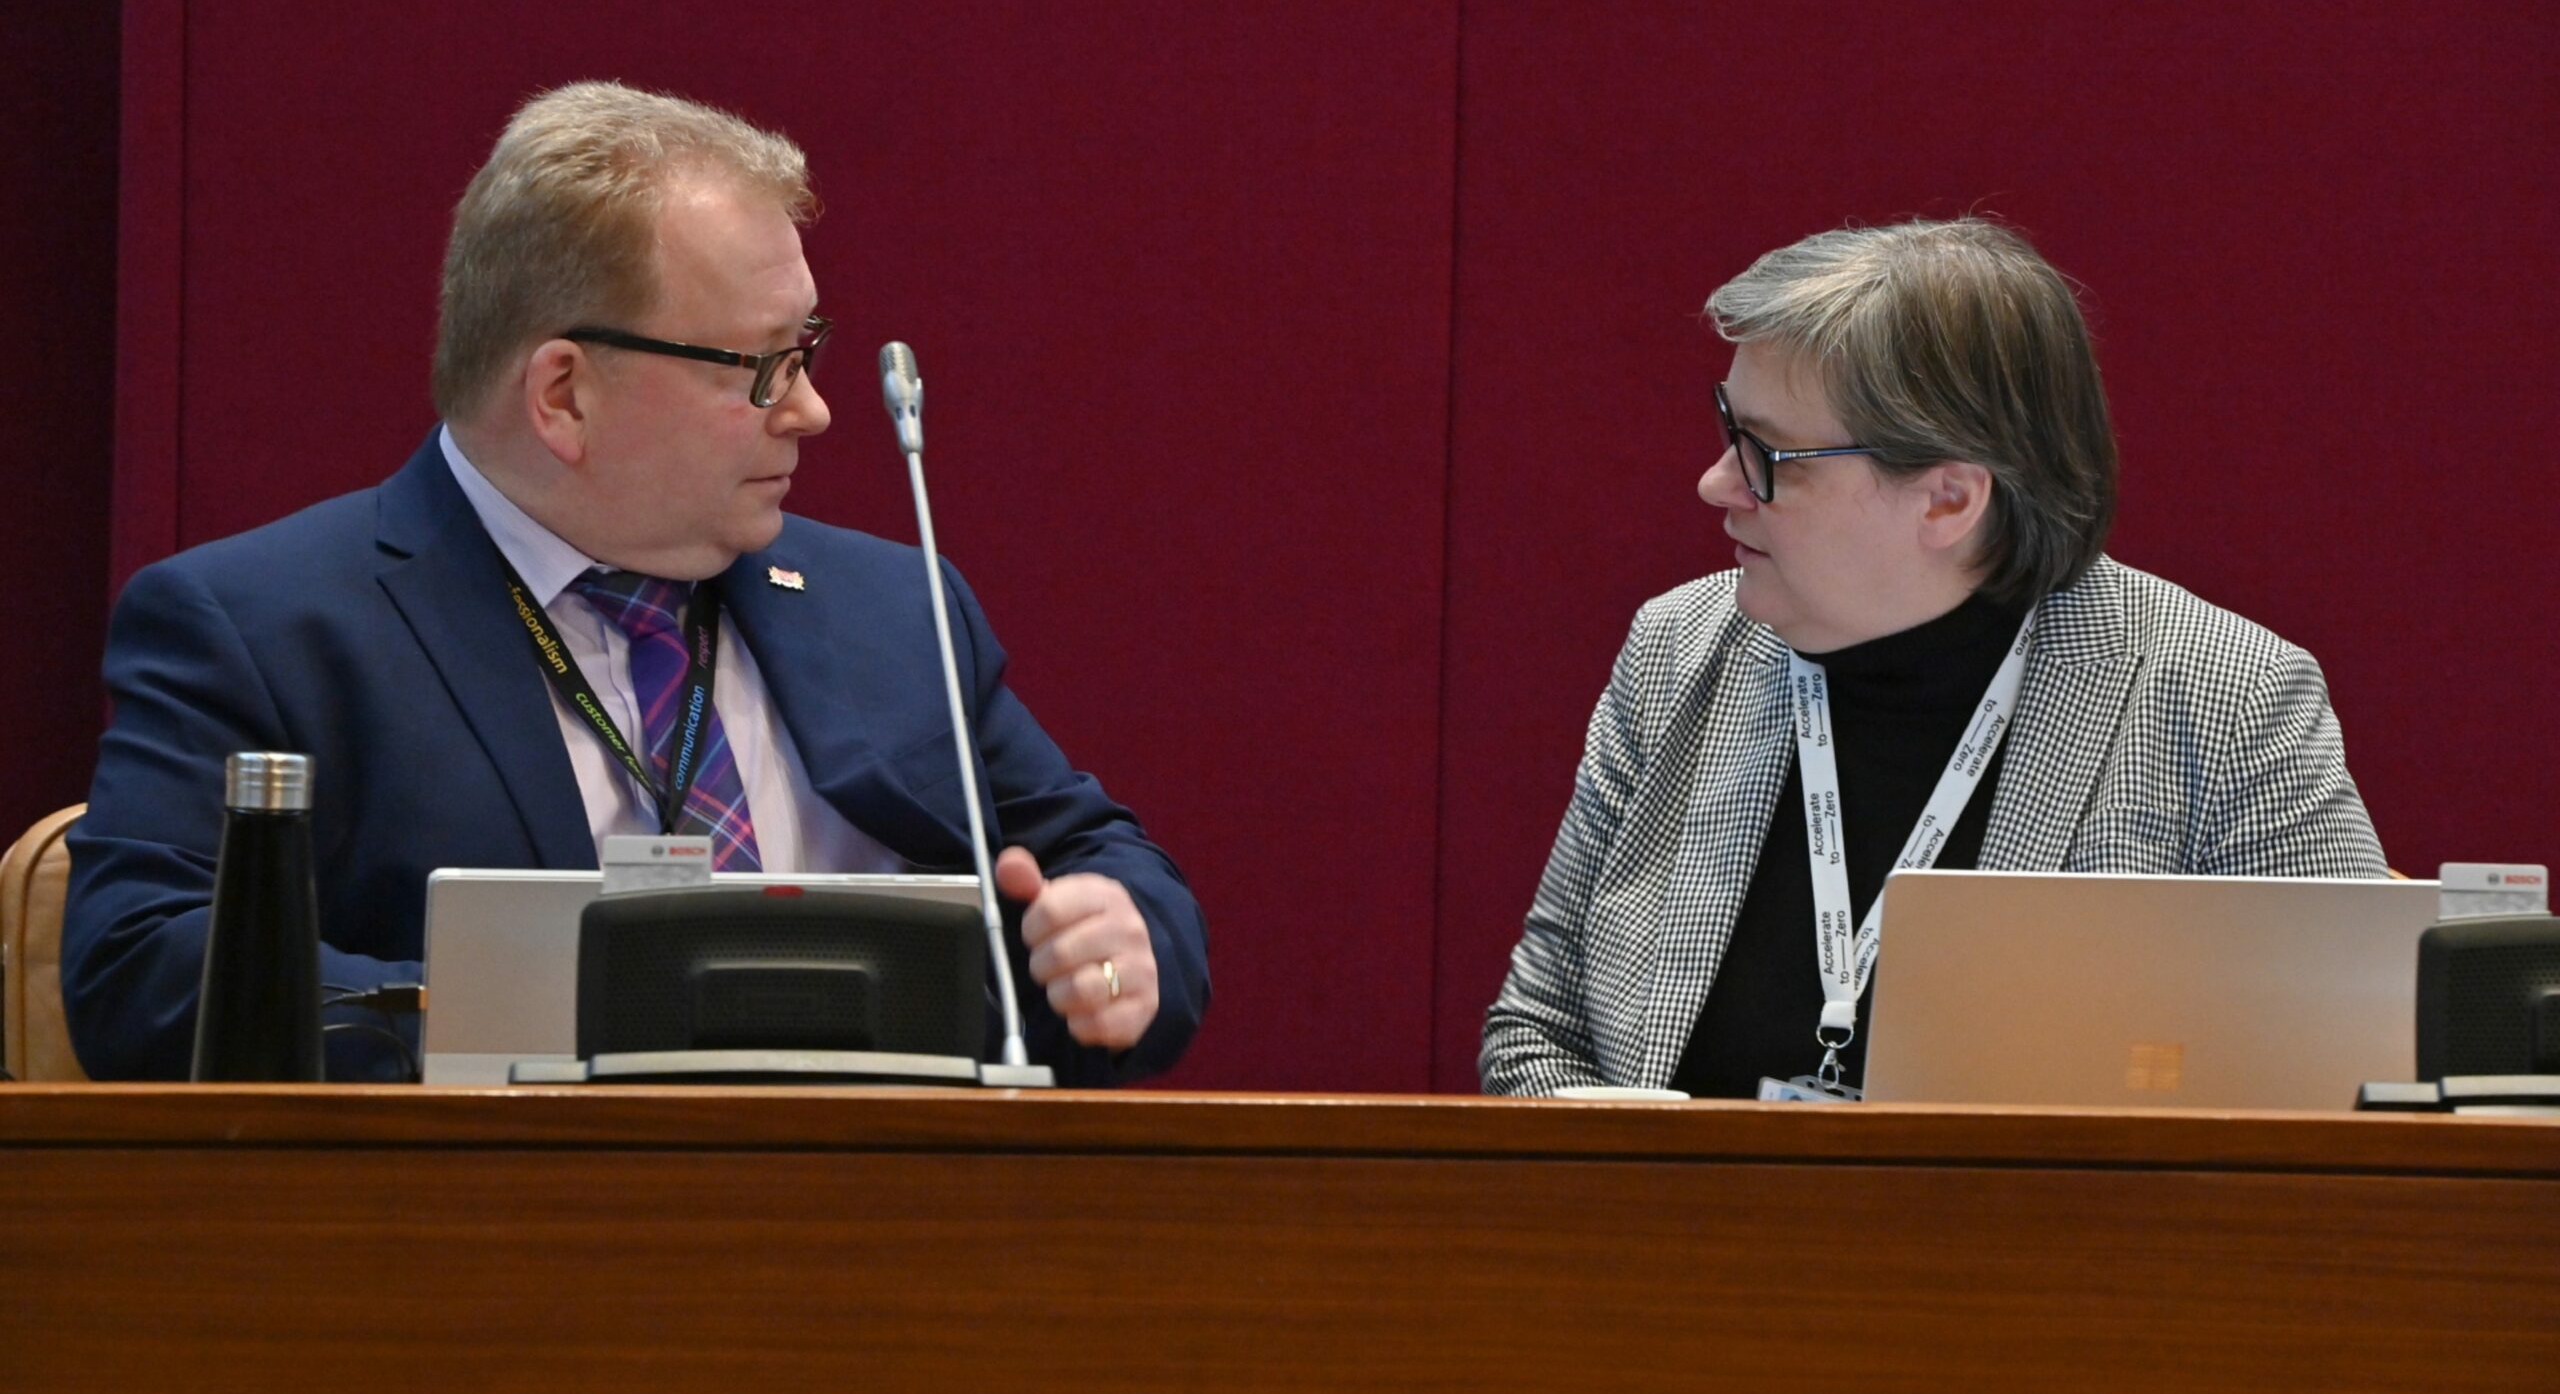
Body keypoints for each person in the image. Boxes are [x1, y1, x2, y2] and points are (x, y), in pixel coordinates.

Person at [64, 82, 1207, 1083]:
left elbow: (1100, 865)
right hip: (487, 1267)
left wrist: (1116, 938)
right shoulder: (268, 628)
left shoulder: (891, 610)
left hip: (892, 1252)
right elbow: (138, 966)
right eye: (763, 367)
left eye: (806, 351)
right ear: (563, 394)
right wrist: (570, 1015)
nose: (810, 410)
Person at [1481, 218, 2382, 1098]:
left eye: (1770, 457)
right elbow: (1535, 1028)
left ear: (1947, 499)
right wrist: (1618, 1152)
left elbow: (2341, 1091)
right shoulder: (1680, 651)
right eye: (1729, 428)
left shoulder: (2225, 698)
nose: (1717, 482)